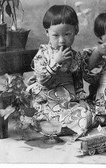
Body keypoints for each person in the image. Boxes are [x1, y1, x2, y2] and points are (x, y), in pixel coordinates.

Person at [27, 5, 92, 138]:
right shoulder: (43, 54)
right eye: (55, 35)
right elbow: (42, 81)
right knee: (41, 117)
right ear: (47, 33)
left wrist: (81, 99)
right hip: (48, 100)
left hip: (67, 102)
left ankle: (59, 127)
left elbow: (78, 81)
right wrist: (55, 62)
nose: (61, 40)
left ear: (76, 30)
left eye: (67, 34)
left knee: (87, 113)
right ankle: (55, 126)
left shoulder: (75, 56)